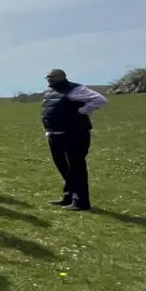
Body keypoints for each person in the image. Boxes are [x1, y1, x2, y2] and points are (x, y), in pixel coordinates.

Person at [42, 69, 107, 211]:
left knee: (76, 168)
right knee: (64, 167)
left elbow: (99, 100)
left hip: (74, 134)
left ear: (61, 77)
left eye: (52, 77)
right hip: (55, 134)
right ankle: (69, 197)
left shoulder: (75, 89)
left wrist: (82, 111)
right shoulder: (51, 92)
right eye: (47, 77)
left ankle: (81, 202)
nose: (49, 80)